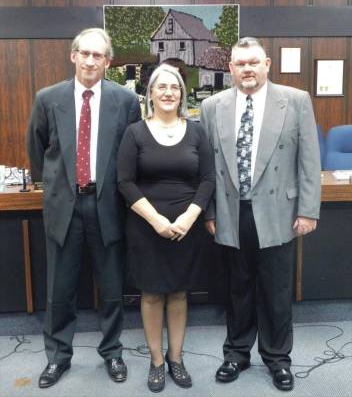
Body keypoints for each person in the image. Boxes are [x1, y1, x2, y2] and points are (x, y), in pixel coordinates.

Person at [200, 37, 321, 392]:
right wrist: (209, 210)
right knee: (237, 289)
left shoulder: (295, 101)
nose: (247, 69)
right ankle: (236, 354)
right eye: (240, 63)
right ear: (230, 68)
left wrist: (308, 209)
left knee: (276, 290)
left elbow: (309, 161)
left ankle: (278, 359)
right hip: (229, 212)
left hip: (279, 212)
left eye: (254, 62)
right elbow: (206, 168)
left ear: (267, 63)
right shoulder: (212, 106)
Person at [27, 28, 141, 388]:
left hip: (108, 205)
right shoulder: (48, 98)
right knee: (59, 289)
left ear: (108, 62)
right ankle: (58, 357)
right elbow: (38, 149)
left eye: (99, 55)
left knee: (110, 286)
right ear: (73, 55)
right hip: (65, 205)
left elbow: (132, 153)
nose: (91, 61)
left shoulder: (125, 101)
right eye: (85, 53)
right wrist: (56, 186)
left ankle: (113, 352)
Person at [117, 64, 215, 392]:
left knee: (178, 292)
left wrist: (189, 217)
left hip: (187, 227)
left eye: (174, 87)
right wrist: (156, 220)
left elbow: (208, 179)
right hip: (146, 226)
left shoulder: (197, 131)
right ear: (151, 94)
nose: (168, 92)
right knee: (151, 293)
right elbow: (125, 183)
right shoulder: (135, 133)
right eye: (161, 87)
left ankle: (176, 358)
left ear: (182, 94)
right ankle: (157, 361)